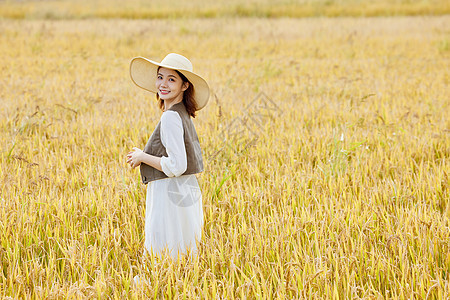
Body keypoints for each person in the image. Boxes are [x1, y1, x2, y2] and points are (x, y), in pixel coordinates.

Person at [126, 53, 209, 278]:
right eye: (160, 77)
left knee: (164, 241)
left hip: (170, 191)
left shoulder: (171, 117)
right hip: (183, 190)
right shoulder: (181, 114)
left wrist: (142, 156)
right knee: (181, 244)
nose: (163, 84)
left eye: (171, 79)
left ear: (185, 85)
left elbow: (177, 165)